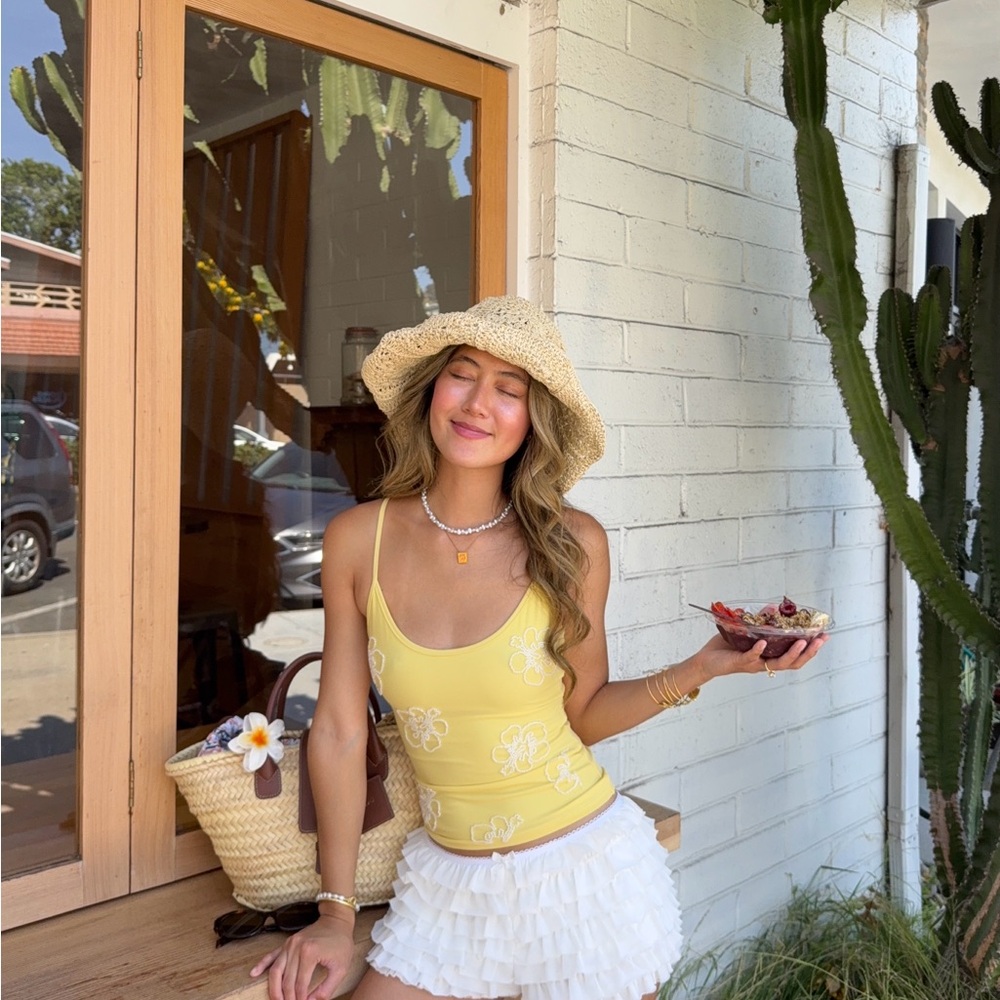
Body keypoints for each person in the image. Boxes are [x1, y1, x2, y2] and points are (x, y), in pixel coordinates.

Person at [252, 296, 828, 1000]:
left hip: (582, 879)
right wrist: (335, 914)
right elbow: (340, 732)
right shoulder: (355, 540)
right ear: (432, 390)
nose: (477, 404)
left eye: (509, 390)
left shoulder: (573, 545)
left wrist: (705, 667)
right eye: (462, 375)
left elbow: (581, 714)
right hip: (446, 892)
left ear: (533, 422)